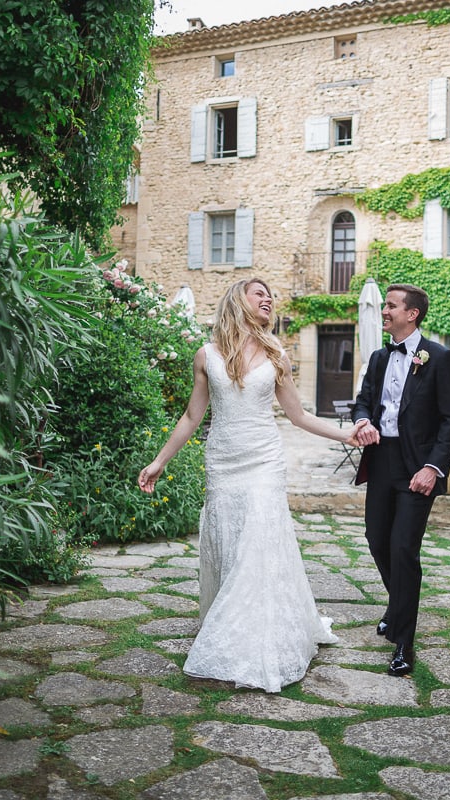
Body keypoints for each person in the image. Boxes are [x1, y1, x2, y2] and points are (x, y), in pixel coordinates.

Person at [138, 277, 355, 692]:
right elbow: (191, 417)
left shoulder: (276, 355)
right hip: (223, 461)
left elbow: (299, 416)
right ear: (239, 300)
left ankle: (259, 640)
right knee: (231, 543)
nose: (268, 299)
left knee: (259, 540)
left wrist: (346, 436)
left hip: (263, 461)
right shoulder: (206, 356)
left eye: (270, 295)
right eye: (260, 294)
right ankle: (231, 621)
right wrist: (158, 462)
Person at [351, 283, 450, 677]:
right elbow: (364, 400)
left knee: (403, 549)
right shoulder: (379, 358)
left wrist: (433, 467)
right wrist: (362, 420)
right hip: (382, 460)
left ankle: (404, 641)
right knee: (376, 539)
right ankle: (397, 607)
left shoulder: (441, 358)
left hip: (418, 466)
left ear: (411, 313)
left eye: (391, 305)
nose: (385, 310)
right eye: (383, 305)